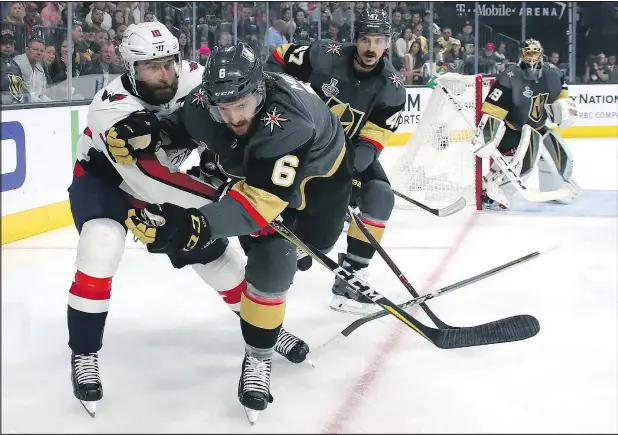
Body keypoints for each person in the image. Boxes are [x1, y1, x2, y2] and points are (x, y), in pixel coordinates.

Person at [67, 23, 306, 418]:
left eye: (168, 63)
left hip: (169, 182)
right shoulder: (110, 107)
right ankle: (84, 353)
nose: (164, 75)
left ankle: (267, 330)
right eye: (150, 67)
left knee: (218, 263)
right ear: (129, 67)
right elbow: (153, 180)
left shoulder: (196, 79)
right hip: (107, 184)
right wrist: (245, 211)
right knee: (100, 244)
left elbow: (228, 129)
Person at [124, 42, 353, 422]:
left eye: (241, 105)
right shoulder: (205, 104)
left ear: (260, 91)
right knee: (270, 262)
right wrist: (151, 132)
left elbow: (258, 204)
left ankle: (301, 248)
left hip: (321, 178)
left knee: (313, 246)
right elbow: (180, 130)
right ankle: (258, 357)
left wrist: (199, 224)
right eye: (223, 108)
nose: (232, 116)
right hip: (260, 172)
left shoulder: (289, 122)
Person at [264, 8, 406, 315]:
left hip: (345, 153)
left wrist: (350, 175)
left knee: (380, 196)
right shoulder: (322, 54)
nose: (371, 48)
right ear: (355, 39)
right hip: (295, 144)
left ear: (388, 43)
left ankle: (351, 282)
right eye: (366, 39)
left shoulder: (392, 87)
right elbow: (277, 57)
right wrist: (273, 99)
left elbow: (372, 140)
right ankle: (285, 254)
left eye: (379, 41)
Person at [474, 39, 579, 209]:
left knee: (564, 159)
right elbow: (493, 110)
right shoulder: (509, 76)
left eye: (535, 53)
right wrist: (487, 136)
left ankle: (555, 186)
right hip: (514, 130)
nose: (531, 58)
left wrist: (564, 111)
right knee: (525, 166)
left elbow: (562, 99)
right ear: (522, 55)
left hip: (538, 127)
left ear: (541, 54)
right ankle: (491, 191)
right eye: (528, 53)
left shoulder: (554, 74)